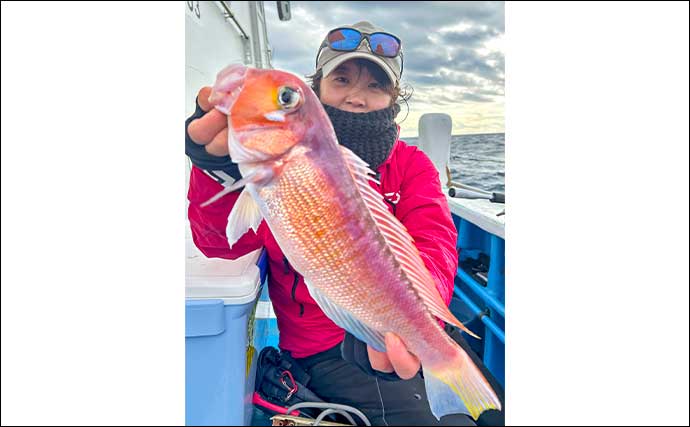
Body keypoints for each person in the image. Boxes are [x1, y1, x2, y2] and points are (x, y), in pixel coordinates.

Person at [186, 20, 504, 426]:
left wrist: (414, 319)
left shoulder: (411, 165)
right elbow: (219, 244)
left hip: (405, 322)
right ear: (317, 89)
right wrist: (214, 170)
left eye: (375, 86)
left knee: (495, 415)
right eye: (342, 79)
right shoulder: (274, 166)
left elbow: (436, 243)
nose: (357, 96)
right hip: (321, 350)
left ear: (393, 99)